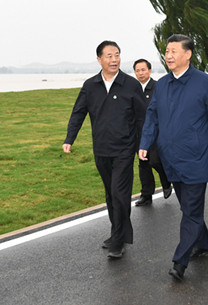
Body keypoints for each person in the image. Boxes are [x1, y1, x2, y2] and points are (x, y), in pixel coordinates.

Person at [139, 34, 208, 281]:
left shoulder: (205, 83)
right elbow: (152, 116)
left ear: (187, 54)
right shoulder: (163, 85)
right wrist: (145, 143)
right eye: (166, 51)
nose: (168, 55)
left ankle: (180, 261)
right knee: (189, 207)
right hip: (171, 159)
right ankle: (204, 243)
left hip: (196, 157)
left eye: (173, 51)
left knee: (190, 211)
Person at [63, 41, 146, 259]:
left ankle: (118, 241)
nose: (114, 60)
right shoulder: (90, 85)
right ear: (99, 59)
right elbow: (78, 112)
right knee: (111, 194)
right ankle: (117, 232)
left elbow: (142, 118)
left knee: (120, 194)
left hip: (124, 149)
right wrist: (70, 138)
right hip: (101, 149)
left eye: (117, 55)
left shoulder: (130, 84)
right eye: (109, 56)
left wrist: (143, 145)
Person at [133, 58, 172, 206]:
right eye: (137, 70)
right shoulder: (134, 89)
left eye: (143, 70)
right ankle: (146, 195)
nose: (140, 73)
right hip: (139, 132)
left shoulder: (158, 87)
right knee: (143, 164)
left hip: (156, 131)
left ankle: (166, 180)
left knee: (155, 160)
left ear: (149, 71)